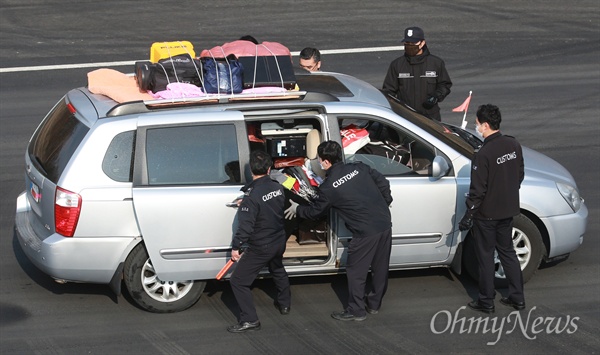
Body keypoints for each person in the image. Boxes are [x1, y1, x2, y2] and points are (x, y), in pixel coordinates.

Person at [285, 141, 393, 321]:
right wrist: (385, 202)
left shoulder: (329, 187)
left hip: (365, 232)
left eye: (319, 159)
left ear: (325, 162)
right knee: (380, 268)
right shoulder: (360, 167)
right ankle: (374, 304)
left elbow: (315, 212)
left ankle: (356, 311)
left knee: (355, 272)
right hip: (384, 223)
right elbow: (383, 182)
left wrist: (297, 209)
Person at [458, 104, 526, 314]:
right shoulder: (513, 144)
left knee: (486, 257)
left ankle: (486, 301)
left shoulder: (483, 154)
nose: (476, 127)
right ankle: (518, 298)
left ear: (485, 125)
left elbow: (477, 190)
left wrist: (469, 214)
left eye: (477, 123)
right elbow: (519, 175)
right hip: (508, 211)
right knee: (508, 253)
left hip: (487, 215)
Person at [227, 150, 291, 333]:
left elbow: (246, 227)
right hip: (279, 240)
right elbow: (271, 208)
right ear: (269, 169)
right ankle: (285, 304)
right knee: (277, 268)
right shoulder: (278, 187)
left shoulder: (251, 196)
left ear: (251, 171)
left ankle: (250, 320)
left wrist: (236, 247)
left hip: (262, 245)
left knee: (238, 281)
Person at [382, 26, 452, 121]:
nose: (410, 46)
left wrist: (436, 96)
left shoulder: (435, 63)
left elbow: (445, 85)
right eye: (407, 43)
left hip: (430, 117)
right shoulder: (397, 65)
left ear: (422, 43)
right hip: (405, 117)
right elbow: (388, 92)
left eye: (413, 43)